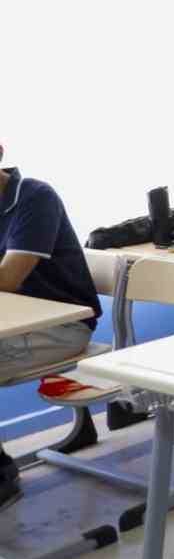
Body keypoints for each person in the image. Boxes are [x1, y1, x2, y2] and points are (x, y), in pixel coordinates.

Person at [0, 144, 102, 510]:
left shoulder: (34, 196)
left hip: (64, 327)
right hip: (15, 326)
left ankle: (2, 475)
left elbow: (9, 278)